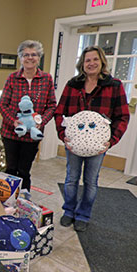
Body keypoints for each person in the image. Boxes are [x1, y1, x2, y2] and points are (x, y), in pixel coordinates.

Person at [54, 45, 129, 232]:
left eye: (95, 59)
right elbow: (59, 113)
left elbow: (123, 117)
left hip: (98, 147)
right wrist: (63, 136)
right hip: (74, 144)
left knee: (91, 181)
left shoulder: (114, 85)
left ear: (102, 61)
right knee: (71, 179)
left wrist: (111, 141)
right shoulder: (73, 85)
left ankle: (83, 215)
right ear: (82, 63)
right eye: (87, 60)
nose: (91, 63)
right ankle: (69, 211)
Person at [0, 40, 56, 199]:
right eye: (26, 55)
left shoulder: (47, 79)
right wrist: (13, 121)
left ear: (39, 57)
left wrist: (40, 121)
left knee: (24, 169)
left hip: (33, 134)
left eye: (34, 55)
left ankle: (24, 199)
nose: (30, 58)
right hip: (10, 133)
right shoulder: (12, 78)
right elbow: (2, 104)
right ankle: (7, 199)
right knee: (11, 168)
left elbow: (52, 105)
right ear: (20, 58)